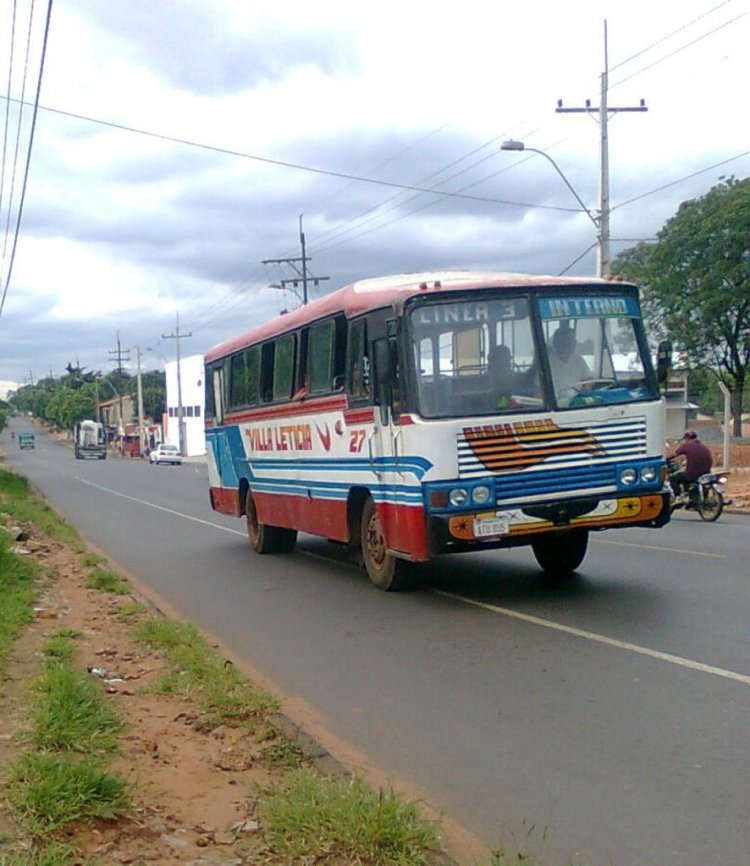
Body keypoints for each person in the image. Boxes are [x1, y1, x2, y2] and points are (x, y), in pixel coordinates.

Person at [668, 429, 713, 499]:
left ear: (687, 439)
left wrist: (666, 459)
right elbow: (697, 457)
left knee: (673, 478)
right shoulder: (703, 447)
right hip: (706, 473)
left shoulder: (686, 446)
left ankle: (678, 497)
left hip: (692, 474)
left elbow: (674, 454)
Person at [548, 325, 591, 394]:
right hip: (555, 401)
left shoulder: (579, 360)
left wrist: (586, 388)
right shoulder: (547, 363)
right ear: (557, 343)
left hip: (576, 401)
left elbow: (588, 379)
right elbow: (539, 389)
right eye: (567, 340)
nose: (572, 344)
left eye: (573, 340)